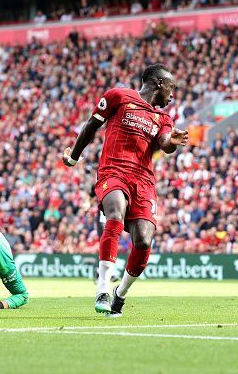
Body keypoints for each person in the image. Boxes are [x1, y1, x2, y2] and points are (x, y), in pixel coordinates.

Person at [62, 64, 188, 316]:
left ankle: (120, 294)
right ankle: (103, 288)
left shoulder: (163, 118)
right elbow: (90, 126)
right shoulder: (119, 96)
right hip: (113, 171)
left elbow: (164, 143)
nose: (172, 95)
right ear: (160, 83)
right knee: (115, 215)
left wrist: (172, 143)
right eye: (171, 88)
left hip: (143, 181)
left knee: (143, 241)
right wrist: (74, 157)